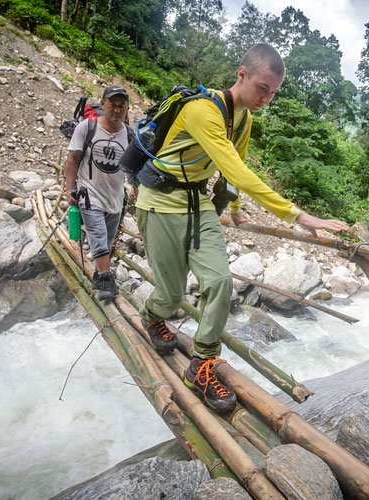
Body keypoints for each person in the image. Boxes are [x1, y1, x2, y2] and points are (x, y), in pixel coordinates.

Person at [135, 44, 350, 413]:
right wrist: (298, 216)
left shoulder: (244, 119)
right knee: (170, 297)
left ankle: (201, 364)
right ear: (242, 74)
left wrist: (234, 209)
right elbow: (237, 171)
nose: (266, 98)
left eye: (273, 93)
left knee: (219, 282)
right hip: (160, 203)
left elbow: (236, 166)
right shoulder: (201, 111)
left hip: (198, 204)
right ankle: (152, 317)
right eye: (262, 88)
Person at [64, 85, 131, 301]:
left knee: (108, 240)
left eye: (122, 106)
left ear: (127, 108)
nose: (117, 110)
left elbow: (134, 167)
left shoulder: (130, 134)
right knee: (99, 237)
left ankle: (97, 274)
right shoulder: (87, 127)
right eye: (112, 105)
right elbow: (73, 160)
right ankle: (107, 280)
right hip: (89, 192)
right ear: (103, 104)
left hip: (115, 197)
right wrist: (69, 189)